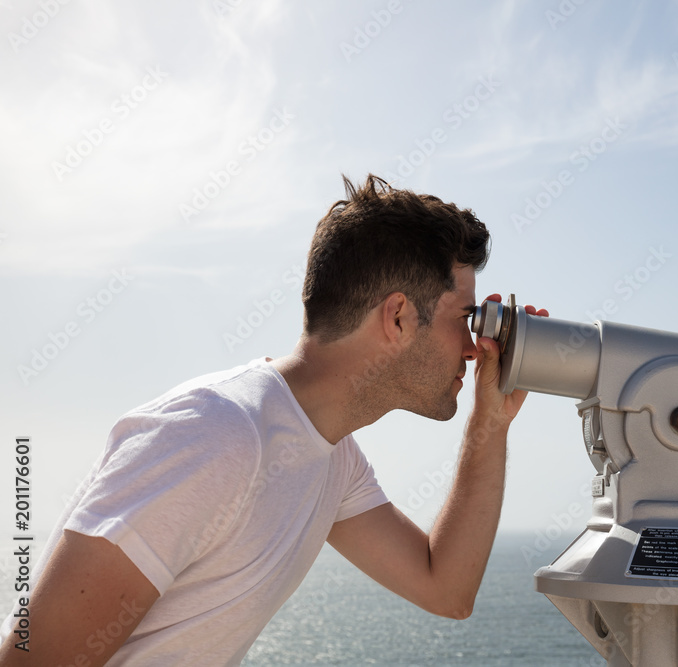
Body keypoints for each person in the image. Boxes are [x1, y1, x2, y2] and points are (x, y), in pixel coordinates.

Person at [0, 174, 548, 665]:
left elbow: (445, 590)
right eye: (465, 318)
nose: (476, 348)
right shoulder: (216, 436)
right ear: (399, 317)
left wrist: (491, 421)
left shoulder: (330, 455)